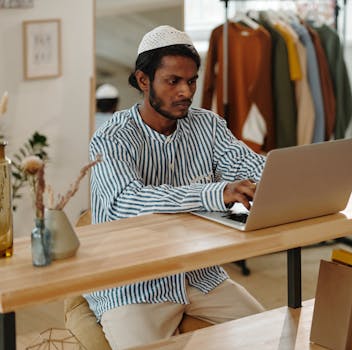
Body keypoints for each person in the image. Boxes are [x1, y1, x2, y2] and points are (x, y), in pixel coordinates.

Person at [85, 25, 266, 349]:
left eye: (192, 80)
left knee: (273, 337)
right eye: (173, 81)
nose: (186, 91)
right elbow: (124, 202)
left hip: (200, 276)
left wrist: (285, 174)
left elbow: (250, 167)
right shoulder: (111, 137)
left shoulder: (207, 125)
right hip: (132, 286)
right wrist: (215, 192)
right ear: (143, 80)